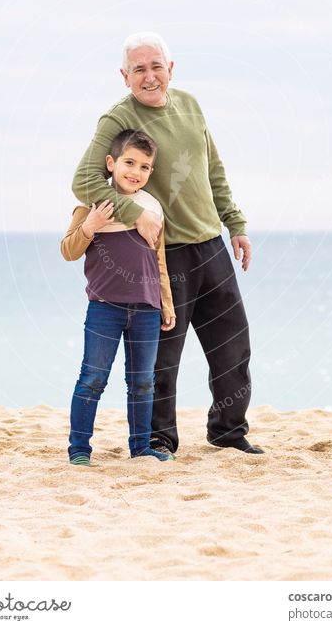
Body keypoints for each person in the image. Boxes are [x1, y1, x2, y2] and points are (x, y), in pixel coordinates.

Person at [72, 31, 264, 455]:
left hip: (210, 243)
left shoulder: (191, 105)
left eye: (156, 65)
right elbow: (84, 181)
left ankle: (228, 432)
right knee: (164, 358)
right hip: (161, 253)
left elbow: (213, 170)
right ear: (125, 76)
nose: (149, 75)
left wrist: (235, 223)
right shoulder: (116, 119)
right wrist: (133, 214)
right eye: (139, 69)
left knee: (233, 345)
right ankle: (160, 439)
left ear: (170, 69)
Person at [62, 128, 176, 466]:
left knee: (142, 382)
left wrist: (165, 303)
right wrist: (91, 225)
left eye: (144, 167)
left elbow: (160, 261)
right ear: (111, 163)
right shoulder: (90, 206)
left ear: (150, 172)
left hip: (146, 310)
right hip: (104, 308)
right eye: (129, 162)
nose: (135, 172)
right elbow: (69, 250)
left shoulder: (152, 209)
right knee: (92, 378)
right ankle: (79, 449)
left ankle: (141, 447)